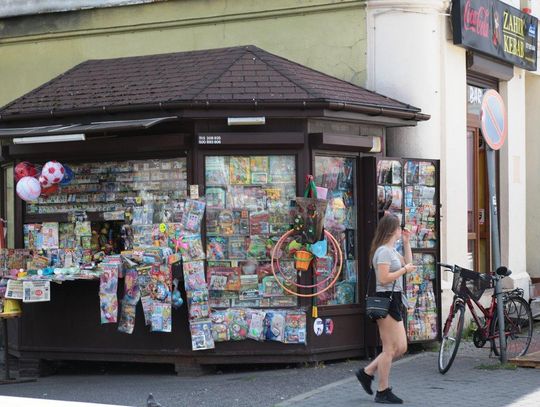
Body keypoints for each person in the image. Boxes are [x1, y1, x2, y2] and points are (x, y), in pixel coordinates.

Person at [355, 214, 417, 404]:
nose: (401, 231)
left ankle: (367, 372)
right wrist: (404, 271)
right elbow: (383, 279)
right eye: (400, 229)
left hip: (395, 298)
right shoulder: (383, 252)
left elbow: (408, 262)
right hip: (386, 299)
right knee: (390, 348)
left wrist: (406, 242)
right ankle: (382, 390)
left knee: (401, 347)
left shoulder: (391, 250)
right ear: (392, 230)